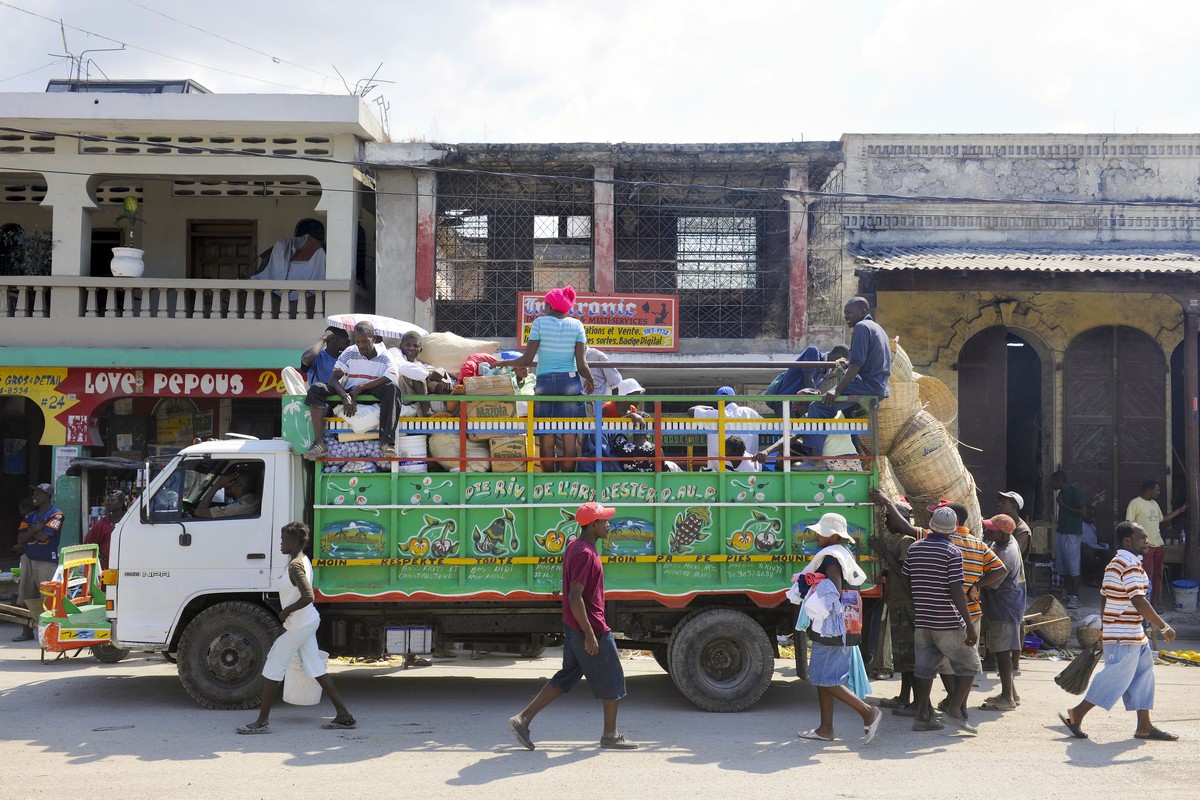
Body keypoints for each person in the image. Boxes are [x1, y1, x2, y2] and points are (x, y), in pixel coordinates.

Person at [508, 502, 638, 750]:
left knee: (566, 677)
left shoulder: (576, 546)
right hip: (590, 627)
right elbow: (575, 596)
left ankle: (522, 720)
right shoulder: (586, 554)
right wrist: (590, 634)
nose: (608, 524)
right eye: (604, 521)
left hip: (576, 625)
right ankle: (610, 735)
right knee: (613, 679)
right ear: (592, 525)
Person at [1059, 521, 1178, 742]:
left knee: (1143, 678)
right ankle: (1077, 713)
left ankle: (1144, 726)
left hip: (1132, 633)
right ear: (1127, 540)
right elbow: (1139, 601)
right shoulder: (1128, 564)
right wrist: (1164, 626)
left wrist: (1106, 626)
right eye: (1142, 538)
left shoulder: (1119, 562)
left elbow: (1105, 595)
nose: (1146, 541)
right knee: (1115, 678)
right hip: (1125, 634)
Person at [237, 521, 355, 734]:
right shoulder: (302, 559)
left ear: (292, 541)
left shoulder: (294, 565)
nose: (280, 544)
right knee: (316, 668)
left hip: (299, 624)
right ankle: (344, 715)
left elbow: (308, 595)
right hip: (306, 622)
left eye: (283, 540)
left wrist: (285, 612)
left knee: (273, 666)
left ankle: (262, 722)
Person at [795, 512, 884, 744]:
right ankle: (826, 729)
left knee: (824, 679)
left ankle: (868, 712)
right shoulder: (844, 554)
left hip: (831, 627)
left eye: (821, 533)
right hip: (845, 625)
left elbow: (832, 589)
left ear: (833, 535)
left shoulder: (830, 558)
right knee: (827, 678)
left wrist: (812, 583)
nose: (816, 537)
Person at [496, 286, 594, 473]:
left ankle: (548, 482)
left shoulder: (539, 323)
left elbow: (526, 360)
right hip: (570, 382)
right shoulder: (577, 325)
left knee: (546, 439)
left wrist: (503, 363)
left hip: (545, 383)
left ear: (549, 306)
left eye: (545, 305)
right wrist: (590, 379)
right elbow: (582, 364)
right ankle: (567, 484)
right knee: (569, 438)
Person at [902, 506, 978, 734]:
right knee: (969, 664)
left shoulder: (915, 548)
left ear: (931, 524)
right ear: (954, 529)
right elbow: (956, 590)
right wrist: (970, 625)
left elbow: (906, 580)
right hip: (947, 621)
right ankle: (954, 710)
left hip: (923, 620)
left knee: (924, 669)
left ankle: (923, 716)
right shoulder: (952, 552)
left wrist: (919, 600)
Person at [803, 298, 891, 457]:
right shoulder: (878, 328)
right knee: (848, 414)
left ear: (863, 311)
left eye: (849, 312)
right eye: (845, 313)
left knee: (818, 406)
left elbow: (856, 365)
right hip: (880, 387)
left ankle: (815, 459)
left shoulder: (862, 327)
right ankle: (860, 455)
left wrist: (837, 389)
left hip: (867, 385)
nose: (846, 317)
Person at [869, 489, 918, 716]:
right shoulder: (901, 540)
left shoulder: (907, 541)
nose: (887, 521)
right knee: (903, 658)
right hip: (899, 603)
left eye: (890, 517)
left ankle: (916, 703)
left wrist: (883, 553)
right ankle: (904, 697)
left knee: (910, 658)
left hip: (907, 605)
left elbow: (905, 574)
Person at [979, 514, 1026, 712]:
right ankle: (1011, 693)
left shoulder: (1006, 553)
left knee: (1002, 652)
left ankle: (1007, 698)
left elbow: (992, 580)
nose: (987, 531)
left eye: (991, 529)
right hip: (1009, 604)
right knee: (1002, 651)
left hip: (1004, 607)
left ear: (1003, 533)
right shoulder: (1007, 541)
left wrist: (974, 585)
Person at [12, 483, 64, 641]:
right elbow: (20, 539)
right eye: (34, 493)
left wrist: (31, 533)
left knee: (47, 599)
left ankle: (50, 633)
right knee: (26, 597)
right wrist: (36, 529)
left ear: (47, 496)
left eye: (38, 494)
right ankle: (26, 632)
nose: (34, 497)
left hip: (46, 561)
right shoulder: (30, 516)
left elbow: (45, 537)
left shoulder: (57, 514)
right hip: (29, 559)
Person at [1125, 480, 1187, 606]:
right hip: (1146, 547)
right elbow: (1129, 525)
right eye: (1157, 490)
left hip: (1158, 545)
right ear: (1149, 490)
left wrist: (1180, 510)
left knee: (1157, 576)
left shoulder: (1154, 504)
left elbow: (1163, 519)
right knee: (1147, 576)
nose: (1159, 492)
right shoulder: (1135, 503)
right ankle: (1145, 605)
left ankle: (1151, 604)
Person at [765, 344, 850, 415]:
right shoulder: (813, 351)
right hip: (785, 402)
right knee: (792, 431)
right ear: (839, 357)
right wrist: (818, 402)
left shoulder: (827, 371)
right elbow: (808, 378)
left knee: (805, 431)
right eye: (843, 362)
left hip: (799, 406)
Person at [691, 387, 762, 470]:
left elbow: (691, 410)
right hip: (750, 467)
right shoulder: (750, 412)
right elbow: (769, 427)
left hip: (719, 470)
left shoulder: (714, 414)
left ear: (718, 400)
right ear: (734, 399)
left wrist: (709, 408)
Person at [1052, 470, 1087, 609]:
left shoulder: (1075, 492)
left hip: (1072, 533)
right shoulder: (1061, 494)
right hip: (1061, 532)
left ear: (1059, 481)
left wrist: (1064, 506)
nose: (1052, 485)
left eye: (1053, 482)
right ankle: (1069, 593)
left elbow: (1083, 512)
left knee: (1073, 565)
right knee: (1063, 565)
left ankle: (1076, 597)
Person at [83, 490, 125, 570]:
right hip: (106, 569)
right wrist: (97, 553)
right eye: (108, 500)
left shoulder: (128, 522)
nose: (109, 503)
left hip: (125, 567)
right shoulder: (102, 523)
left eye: (112, 500)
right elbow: (87, 543)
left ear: (121, 503)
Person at [193, 470, 261, 519]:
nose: (225, 485)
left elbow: (199, 512)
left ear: (237, 486)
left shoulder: (241, 507)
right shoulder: (253, 500)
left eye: (230, 482)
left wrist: (217, 485)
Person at [997, 491, 1031, 558]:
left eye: (1004, 502)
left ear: (1014, 507)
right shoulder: (1002, 524)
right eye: (1000, 502)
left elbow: (1012, 555)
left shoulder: (1022, 530)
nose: (999, 504)